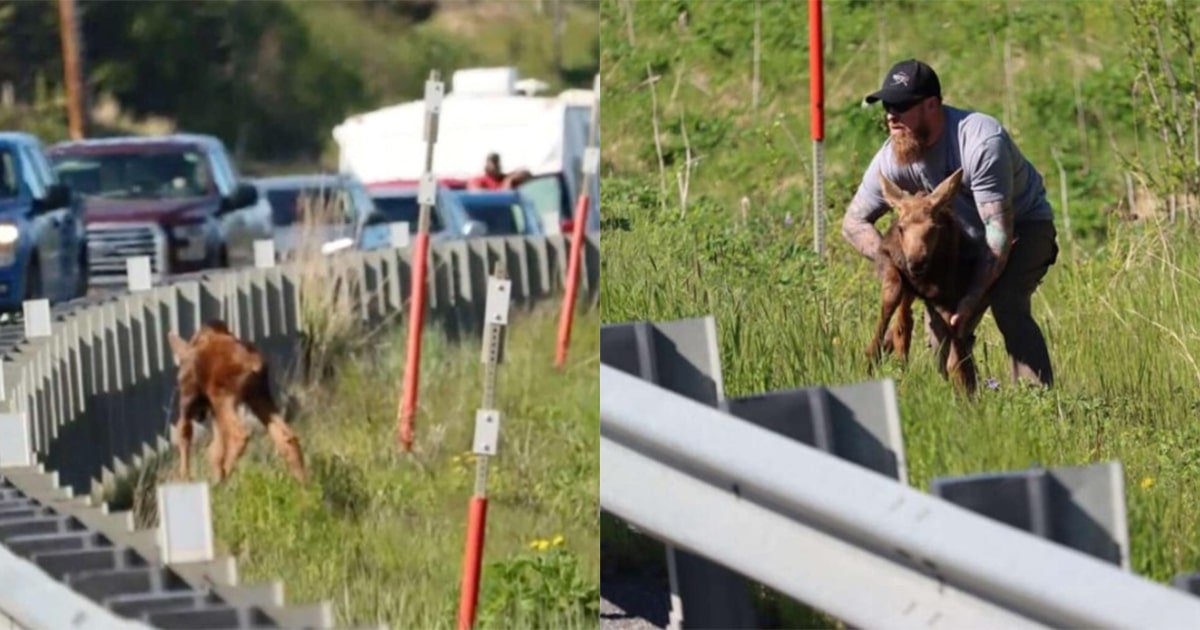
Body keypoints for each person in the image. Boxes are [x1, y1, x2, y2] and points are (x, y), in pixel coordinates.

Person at [841, 59, 1059, 387]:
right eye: (887, 106)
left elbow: (999, 236)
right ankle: (969, 416)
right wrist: (895, 269)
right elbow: (853, 223)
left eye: (901, 106)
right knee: (941, 333)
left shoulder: (980, 142)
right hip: (959, 244)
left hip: (1023, 228)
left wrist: (970, 297)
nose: (890, 115)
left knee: (1006, 300)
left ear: (932, 105)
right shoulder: (893, 157)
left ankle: (1039, 404)